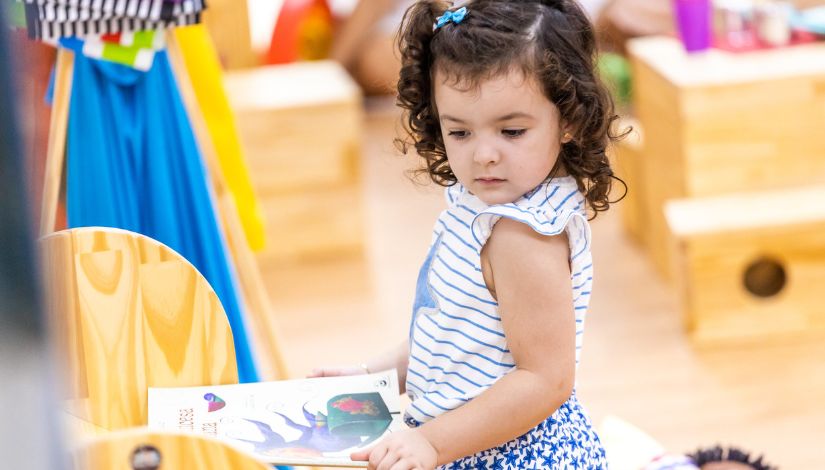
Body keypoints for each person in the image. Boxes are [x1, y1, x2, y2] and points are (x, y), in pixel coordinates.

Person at [312, 1, 627, 468]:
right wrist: (369, 379)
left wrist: (433, 443)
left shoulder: (523, 237)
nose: (484, 154)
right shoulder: (481, 203)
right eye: (459, 132)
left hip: (512, 456)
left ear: (570, 119)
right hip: (465, 441)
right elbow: (451, 334)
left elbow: (545, 379)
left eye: (512, 131)